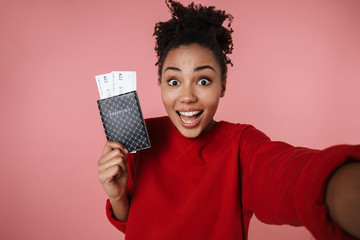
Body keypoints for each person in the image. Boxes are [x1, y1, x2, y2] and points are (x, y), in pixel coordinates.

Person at [97, 1, 360, 239]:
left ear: (222, 86)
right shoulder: (139, 137)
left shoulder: (242, 145)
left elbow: (285, 174)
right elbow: (135, 225)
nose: (187, 96)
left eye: (203, 80)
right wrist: (118, 196)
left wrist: (335, 183)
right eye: (174, 81)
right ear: (161, 84)